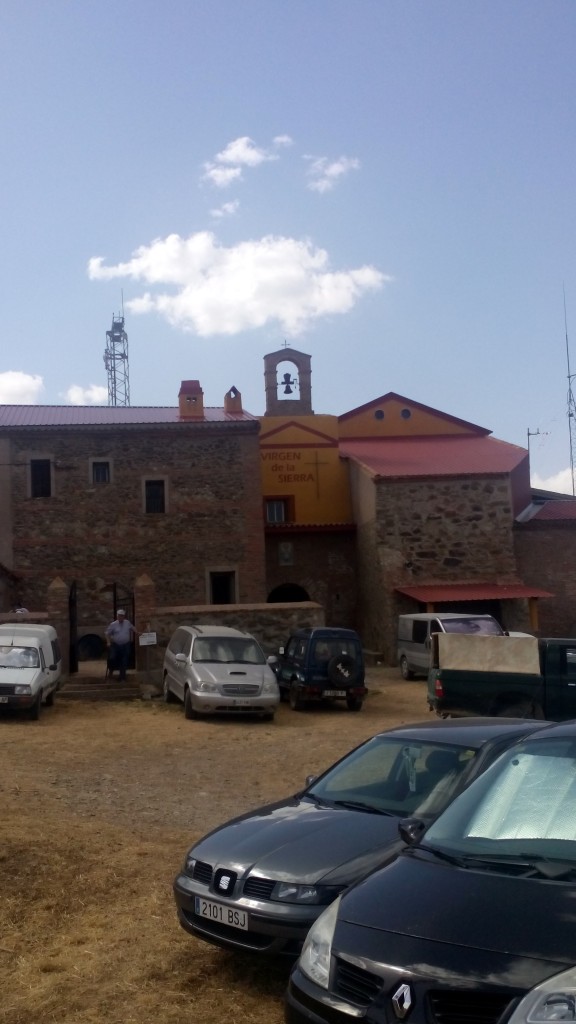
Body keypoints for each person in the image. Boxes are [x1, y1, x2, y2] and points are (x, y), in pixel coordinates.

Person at [105, 609, 137, 682]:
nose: (120, 617)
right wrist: (108, 642)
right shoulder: (113, 624)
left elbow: (133, 628)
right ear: (117, 616)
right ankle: (111, 672)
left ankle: (122, 677)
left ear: (124, 616)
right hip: (116, 645)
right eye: (119, 616)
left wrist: (137, 632)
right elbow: (107, 633)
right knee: (112, 658)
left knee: (124, 661)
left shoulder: (127, 623)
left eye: (122, 616)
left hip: (126, 645)